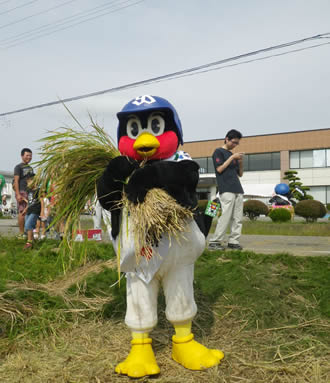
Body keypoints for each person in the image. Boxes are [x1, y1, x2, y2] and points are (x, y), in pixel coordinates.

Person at [208, 129, 244, 251]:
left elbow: (240, 174)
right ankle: (215, 241)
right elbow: (219, 169)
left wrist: (240, 162)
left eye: (237, 143)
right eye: (233, 142)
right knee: (225, 216)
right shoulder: (218, 152)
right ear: (227, 139)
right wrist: (233, 157)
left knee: (238, 217)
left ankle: (234, 241)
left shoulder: (232, 155)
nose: (235, 145)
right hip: (226, 188)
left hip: (238, 188)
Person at [14, 148, 34, 238]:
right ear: (22, 156)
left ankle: (27, 232)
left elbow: (32, 181)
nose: (29, 157)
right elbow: (16, 181)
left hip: (29, 192)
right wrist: (18, 194)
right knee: (22, 211)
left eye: (30, 155)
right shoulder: (18, 167)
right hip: (22, 191)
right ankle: (21, 233)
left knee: (28, 211)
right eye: (27, 155)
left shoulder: (30, 168)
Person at [22, 175, 45, 249]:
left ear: (34, 181)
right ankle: (32, 241)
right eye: (27, 182)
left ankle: (29, 242)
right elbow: (29, 202)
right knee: (28, 226)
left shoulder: (38, 190)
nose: (28, 184)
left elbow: (42, 201)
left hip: (35, 210)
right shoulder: (29, 191)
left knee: (28, 225)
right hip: (29, 210)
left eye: (29, 182)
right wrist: (25, 209)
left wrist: (42, 211)